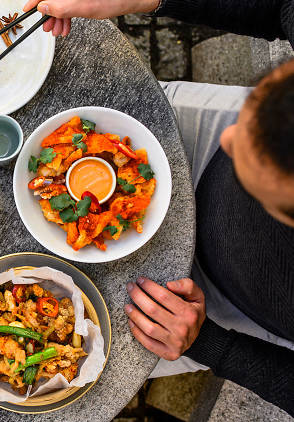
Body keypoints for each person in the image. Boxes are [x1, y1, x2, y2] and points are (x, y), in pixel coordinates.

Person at [23, 0, 294, 415]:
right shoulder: (234, 132)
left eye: (249, 153)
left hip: (215, 304)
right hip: (171, 149)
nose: (229, 139)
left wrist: (212, 345)